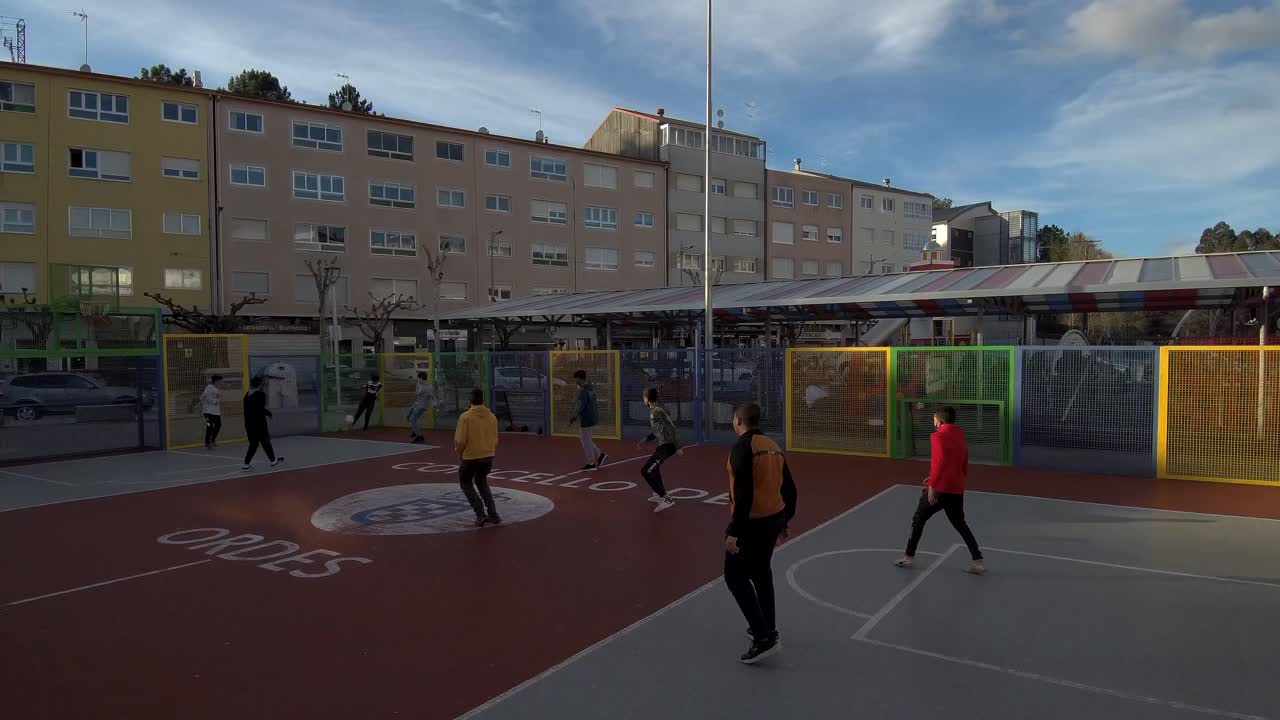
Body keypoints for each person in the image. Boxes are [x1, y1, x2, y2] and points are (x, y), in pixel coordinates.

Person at [724, 401, 796, 665]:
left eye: (733, 420)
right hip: (773, 519)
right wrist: (785, 519)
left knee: (734, 577)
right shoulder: (773, 447)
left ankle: (762, 637)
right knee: (761, 573)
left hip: (751, 523)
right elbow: (789, 489)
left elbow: (743, 494)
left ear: (739, 421)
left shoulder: (742, 448)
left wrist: (734, 531)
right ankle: (769, 629)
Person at [895, 406, 986, 575]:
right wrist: (956, 479)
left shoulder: (937, 437)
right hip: (956, 487)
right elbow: (963, 462)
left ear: (940, 421)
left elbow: (939, 463)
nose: (933, 422)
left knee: (918, 519)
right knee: (960, 524)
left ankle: (908, 556)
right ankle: (978, 561)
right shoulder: (960, 435)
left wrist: (932, 487)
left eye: (934, 420)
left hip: (941, 488)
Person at [455, 386, 501, 527]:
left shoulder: (465, 417)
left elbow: (460, 440)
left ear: (470, 401)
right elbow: (495, 438)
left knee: (465, 482)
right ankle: (493, 514)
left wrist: (460, 453)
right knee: (481, 481)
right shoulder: (492, 416)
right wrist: (490, 450)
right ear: (482, 401)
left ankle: (480, 514)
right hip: (488, 455)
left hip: (470, 456)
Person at [635, 387, 678, 513]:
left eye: (643, 397)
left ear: (646, 399)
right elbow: (659, 429)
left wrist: (677, 445)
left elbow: (669, 427)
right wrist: (647, 438)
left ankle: (666, 498)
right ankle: (660, 495)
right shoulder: (656, 409)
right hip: (664, 446)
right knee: (655, 468)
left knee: (646, 471)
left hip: (667, 447)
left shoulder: (655, 412)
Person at [242, 376, 284, 470]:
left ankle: (246, 464)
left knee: (254, 444)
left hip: (249, 424)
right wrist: (268, 413)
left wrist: (266, 412)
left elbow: (251, 409)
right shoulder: (261, 394)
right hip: (259, 423)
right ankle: (273, 461)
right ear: (260, 384)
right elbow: (260, 409)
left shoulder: (246, 395)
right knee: (265, 442)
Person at [567, 369, 606, 470]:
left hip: (587, 418)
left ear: (580, 379)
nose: (576, 382)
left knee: (585, 440)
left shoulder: (584, 391)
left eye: (576, 379)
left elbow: (580, 405)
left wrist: (574, 416)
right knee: (584, 438)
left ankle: (591, 462)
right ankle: (600, 454)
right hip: (592, 416)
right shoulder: (591, 388)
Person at [407, 371, 435, 443]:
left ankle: (419, 436)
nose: (418, 379)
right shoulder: (418, 384)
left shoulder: (429, 387)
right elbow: (416, 394)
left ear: (422, 378)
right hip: (416, 404)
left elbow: (433, 397)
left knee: (412, 419)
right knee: (409, 416)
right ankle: (414, 430)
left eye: (419, 378)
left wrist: (435, 404)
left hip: (422, 406)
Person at [200, 374, 223, 449]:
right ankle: (207, 443)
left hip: (216, 412)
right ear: (216, 381)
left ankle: (212, 440)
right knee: (209, 426)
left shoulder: (217, 389)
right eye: (220, 381)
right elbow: (202, 397)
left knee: (218, 425)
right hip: (208, 412)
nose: (221, 382)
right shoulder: (209, 387)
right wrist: (211, 402)